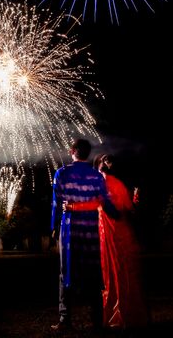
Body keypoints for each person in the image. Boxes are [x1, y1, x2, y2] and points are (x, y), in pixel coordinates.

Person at [66, 154, 149, 331]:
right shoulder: (108, 183)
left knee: (119, 271)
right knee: (115, 271)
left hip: (117, 233)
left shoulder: (110, 183)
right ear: (98, 164)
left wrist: (72, 207)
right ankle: (124, 313)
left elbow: (123, 208)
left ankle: (124, 314)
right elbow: (122, 208)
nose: (107, 162)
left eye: (108, 160)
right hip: (110, 233)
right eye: (103, 160)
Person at [51, 138, 109, 331]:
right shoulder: (97, 176)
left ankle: (65, 319)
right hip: (91, 231)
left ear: (72, 151)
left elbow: (56, 203)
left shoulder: (62, 173)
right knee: (93, 273)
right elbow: (106, 203)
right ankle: (97, 320)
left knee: (65, 273)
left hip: (70, 231)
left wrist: (53, 226)